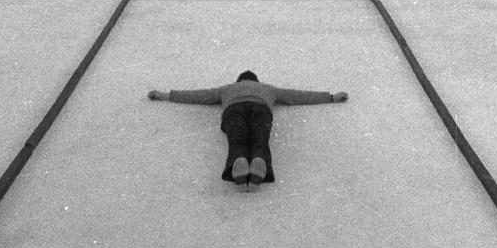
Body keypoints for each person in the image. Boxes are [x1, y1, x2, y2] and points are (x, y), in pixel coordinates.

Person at [147, 70, 349, 187]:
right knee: (260, 139)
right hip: (261, 109)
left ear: (239, 81)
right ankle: (259, 161)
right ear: (256, 81)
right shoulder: (268, 89)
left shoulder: (228, 89)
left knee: (237, 139)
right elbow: (297, 96)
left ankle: (239, 160)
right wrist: (330, 97)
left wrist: (165, 95)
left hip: (234, 110)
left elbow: (198, 95)